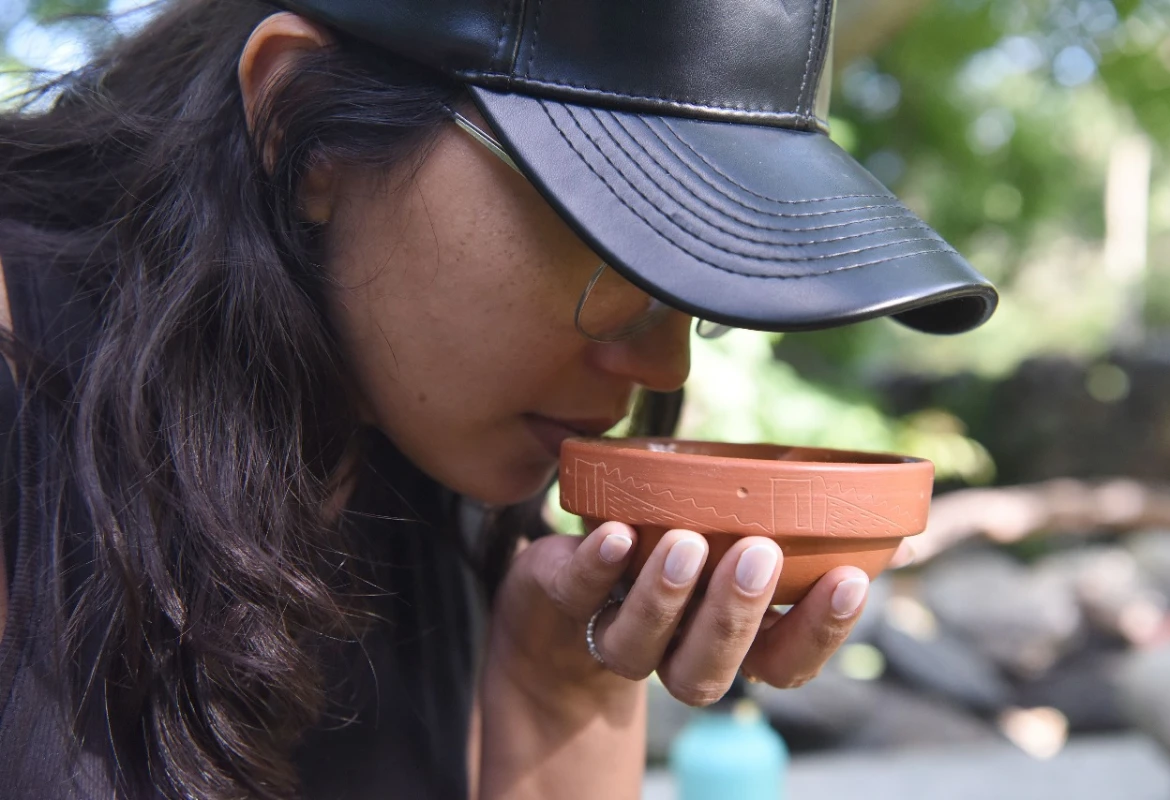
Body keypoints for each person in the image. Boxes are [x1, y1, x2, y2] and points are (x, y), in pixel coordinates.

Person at [0, 0, 997, 798]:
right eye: (616, 247)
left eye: (701, 291)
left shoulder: (411, 419)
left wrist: (562, 684)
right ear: (303, 126)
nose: (666, 371)